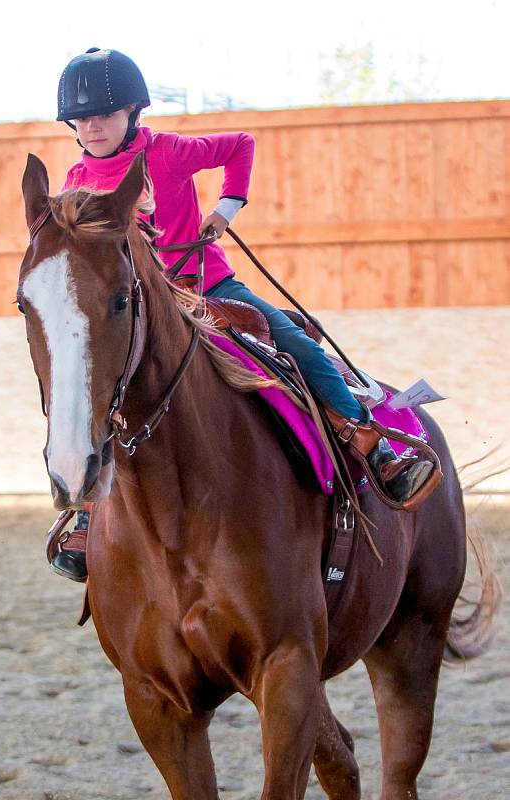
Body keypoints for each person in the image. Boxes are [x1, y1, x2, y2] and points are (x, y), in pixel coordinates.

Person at [49, 48, 434, 582]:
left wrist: (226, 209)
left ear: (133, 112)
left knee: (291, 342)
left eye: (104, 115)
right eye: (82, 118)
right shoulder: (76, 177)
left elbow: (240, 147)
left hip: (207, 282)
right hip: (139, 305)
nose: (92, 126)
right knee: (94, 383)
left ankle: (368, 439)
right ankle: (88, 509)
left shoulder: (168, 151)